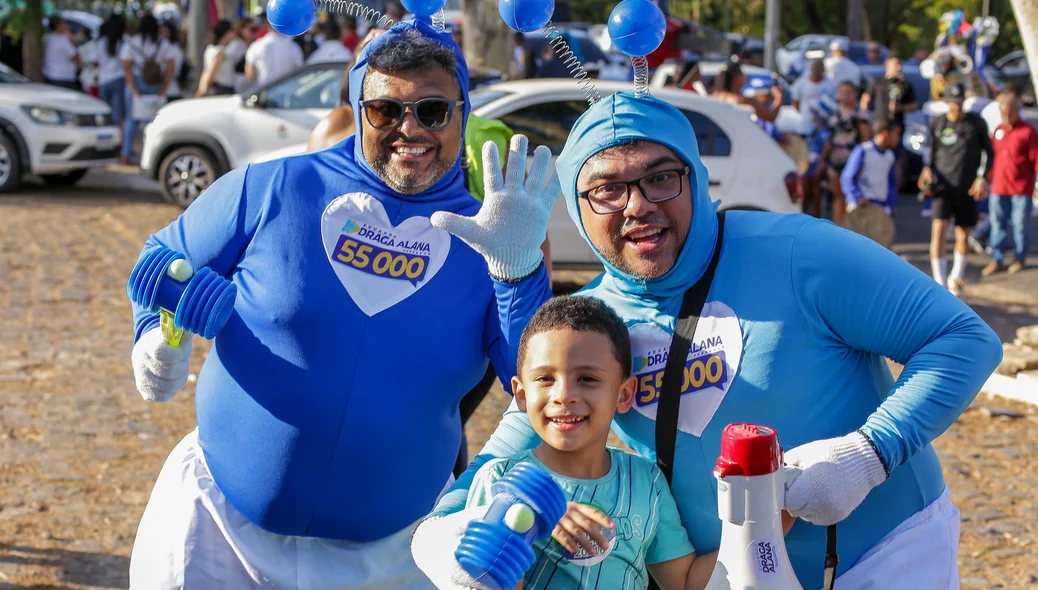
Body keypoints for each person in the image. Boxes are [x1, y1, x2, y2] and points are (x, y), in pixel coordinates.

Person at [413, 89, 1002, 590]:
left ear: (693, 175)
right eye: (606, 190)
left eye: (660, 177)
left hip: (881, 557)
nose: (638, 205)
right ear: (577, 206)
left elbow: (962, 337)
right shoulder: (586, 326)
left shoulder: (800, 252)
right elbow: (503, 454)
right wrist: (447, 539)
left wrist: (870, 453)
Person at [127, 17, 541, 589]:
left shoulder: (488, 237)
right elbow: (161, 258)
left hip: (392, 554)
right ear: (356, 106)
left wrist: (519, 275)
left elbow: (538, 378)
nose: (409, 129)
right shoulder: (270, 187)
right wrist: (153, 331)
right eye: (385, 111)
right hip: (216, 525)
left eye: (433, 111)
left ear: (462, 113)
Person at [463, 295, 758, 589]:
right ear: (521, 394)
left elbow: (685, 582)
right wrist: (524, 516)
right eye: (545, 379)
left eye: (588, 378)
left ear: (624, 394)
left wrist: (768, 517)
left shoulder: (646, 482)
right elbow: (482, 579)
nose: (564, 395)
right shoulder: (498, 481)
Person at [918, 82, 994, 296]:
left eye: (960, 103)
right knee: (939, 231)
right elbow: (930, 151)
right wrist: (926, 169)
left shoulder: (976, 123)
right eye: (953, 103)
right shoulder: (939, 123)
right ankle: (939, 281)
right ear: (947, 102)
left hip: (967, 186)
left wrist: (982, 178)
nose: (957, 107)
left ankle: (955, 277)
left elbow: (989, 152)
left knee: (963, 235)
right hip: (943, 186)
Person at [982, 90, 1037, 276]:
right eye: (1002, 112)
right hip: (999, 186)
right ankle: (996, 258)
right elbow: (991, 158)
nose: (1005, 116)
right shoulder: (998, 131)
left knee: (1020, 224)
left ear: (1016, 110)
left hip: (1021, 188)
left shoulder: (1027, 132)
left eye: (1009, 112)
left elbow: (1036, 160)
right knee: (997, 224)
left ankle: (1019, 258)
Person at [119, 14, 175, 165]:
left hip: (136, 83)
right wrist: (163, 89)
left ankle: (125, 154)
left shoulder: (131, 43)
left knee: (132, 120)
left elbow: (127, 67)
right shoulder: (163, 43)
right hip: (155, 84)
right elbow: (170, 67)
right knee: (154, 121)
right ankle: (151, 156)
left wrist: (134, 89)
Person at [827, 81, 872, 225]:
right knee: (838, 196)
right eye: (842, 92)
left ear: (855, 94)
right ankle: (837, 229)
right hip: (835, 161)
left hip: (853, 162)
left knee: (850, 197)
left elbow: (866, 138)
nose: (845, 95)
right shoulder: (834, 115)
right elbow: (829, 138)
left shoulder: (860, 115)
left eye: (849, 92)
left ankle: (848, 230)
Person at [840, 117, 902, 217]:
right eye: (896, 134)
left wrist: (891, 205)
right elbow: (847, 178)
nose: (897, 138)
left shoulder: (889, 156)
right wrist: (857, 197)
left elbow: (891, 183)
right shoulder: (863, 150)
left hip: (881, 207)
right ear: (886, 133)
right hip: (861, 206)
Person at [244, 11, 304, 88]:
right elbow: (299, 74)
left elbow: (250, 75)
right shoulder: (293, 47)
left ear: (265, 23)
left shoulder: (255, 46)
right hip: (286, 93)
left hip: (264, 92)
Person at [860, 55, 918, 133]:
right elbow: (865, 100)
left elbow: (914, 105)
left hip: (897, 126)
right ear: (886, 65)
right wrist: (866, 119)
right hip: (879, 124)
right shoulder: (877, 82)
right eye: (896, 64)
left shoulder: (905, 84)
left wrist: (901, 107)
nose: (899, 67)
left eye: (900, 64)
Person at [711, 61, 778, 122]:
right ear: (737, 78)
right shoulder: (742, 100)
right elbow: (771, 116)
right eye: (742, 74)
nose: (744, 76)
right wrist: (779, 97)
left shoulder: (716, 96)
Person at [196, 19, 248, 97]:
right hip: (221, 90)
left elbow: (205, 71)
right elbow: (212, 72)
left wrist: (201, 88)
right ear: (228, 33)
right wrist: (204, 89)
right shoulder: (220, 52)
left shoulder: (210, 49)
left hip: (217, 89)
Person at [791, 59, 837, 136]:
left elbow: (834, 104)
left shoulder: (831, 84)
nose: (816, 70)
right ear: (810, 68)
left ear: (823, 69)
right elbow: (795, 102)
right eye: (814, 67)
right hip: (805, 125)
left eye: (819, 67)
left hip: (825, 126)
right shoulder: (800, 83)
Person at [96, 15, 127, 123]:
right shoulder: (124, 42)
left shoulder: (101, 42)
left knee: (105, 113)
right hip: (119, 79)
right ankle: (117, 137)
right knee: (117, 115)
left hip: (103, 80)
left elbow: (94, 61)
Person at [803, 102, 832, 218]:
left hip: (816, 167)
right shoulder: (813, 130)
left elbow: (826, 147)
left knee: (816, 197)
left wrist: (821, 164)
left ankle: (815, 221)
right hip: (807, 167)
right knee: (805, 196)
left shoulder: (825, 132)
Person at [42, 15, 81, 90]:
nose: (66, 25)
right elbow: (75, 56)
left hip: (50, 75)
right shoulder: (63, 40)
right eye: (64, 23)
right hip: (64, 78)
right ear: (59, 25)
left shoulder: (48, 38)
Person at [158, 21, 185, 102]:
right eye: (160, 32)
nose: (162, 34)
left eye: (165, 31)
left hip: (171, 91)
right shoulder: (164, 47)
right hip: (166, 90)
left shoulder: (173, 48)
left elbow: (171, 70)